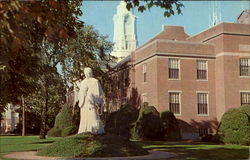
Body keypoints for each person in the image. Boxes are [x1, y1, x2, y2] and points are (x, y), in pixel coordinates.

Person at [77, 67, 104, 134]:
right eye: (86, 73)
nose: (87, 74)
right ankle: (84, 130)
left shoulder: (95, 81)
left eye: (88, 73)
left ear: (91, 73)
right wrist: (83, 92)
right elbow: (80, 93)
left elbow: (98, 92)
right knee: (84, 117)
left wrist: (97, 102)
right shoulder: (83, 82)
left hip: (92, 102)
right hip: (85, 102)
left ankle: (95, 130)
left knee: (93, 115)